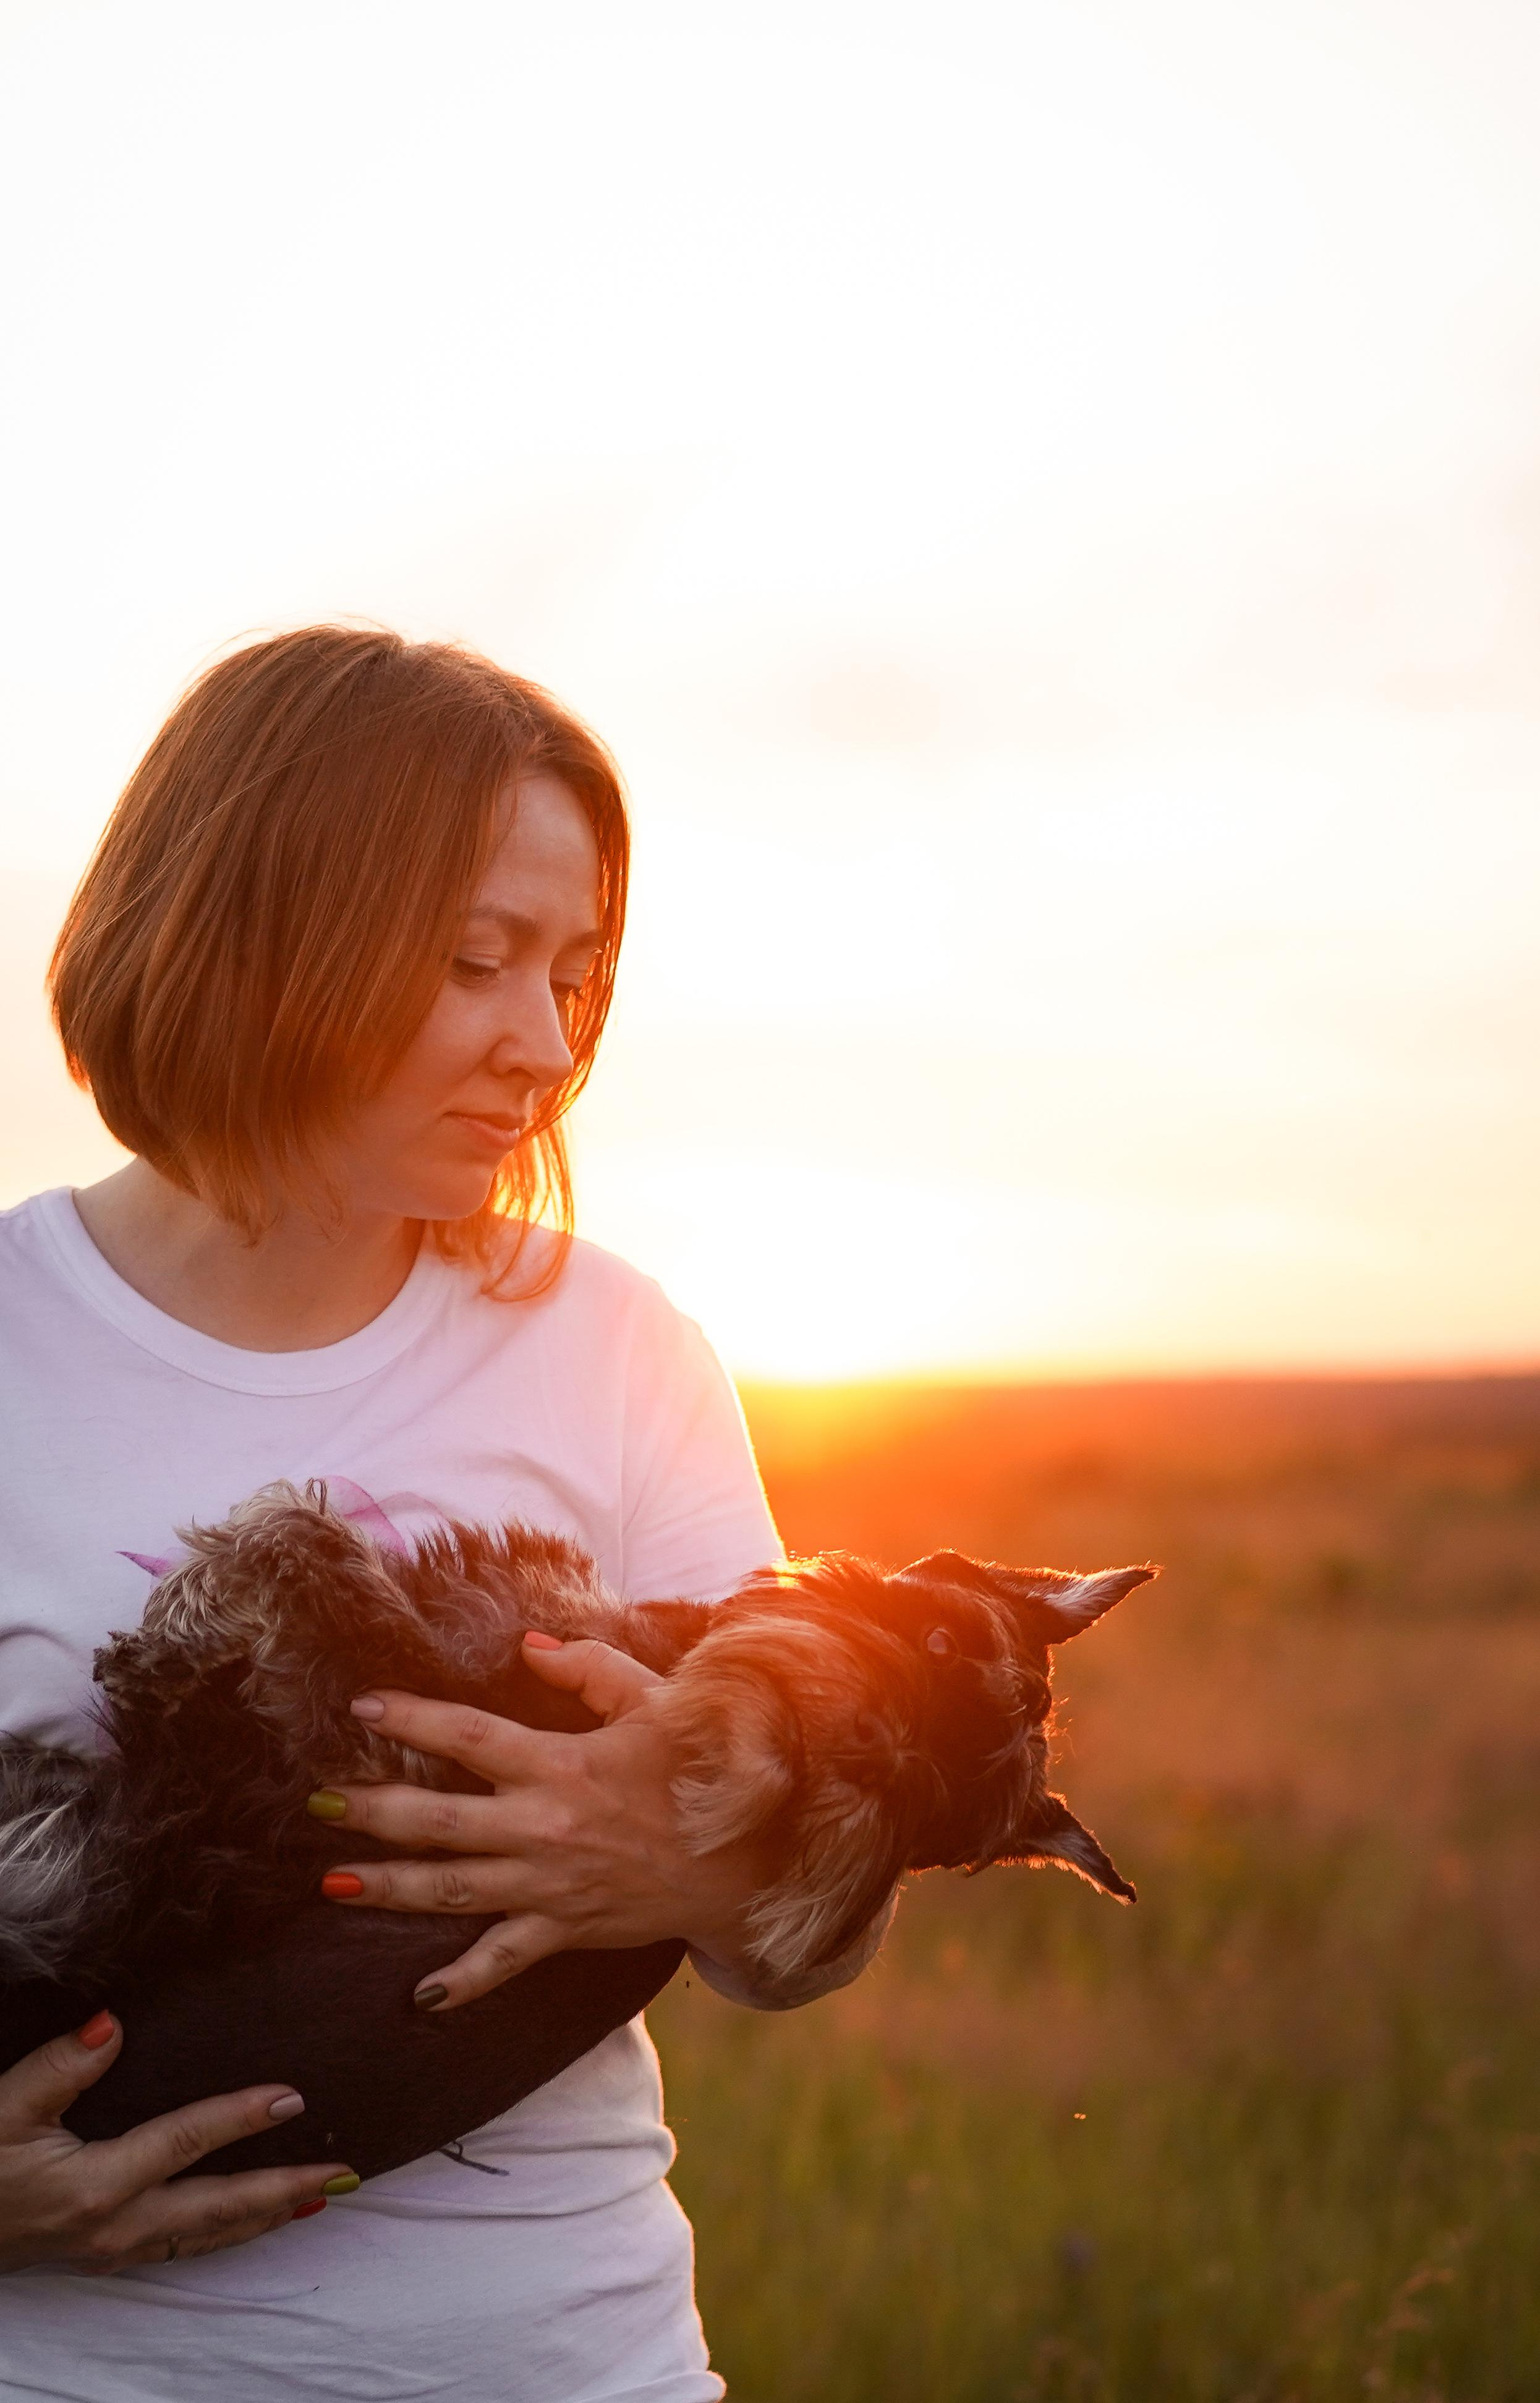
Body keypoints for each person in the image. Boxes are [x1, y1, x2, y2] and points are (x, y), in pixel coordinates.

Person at [0, 627, 890, 2401]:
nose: (546, 1042)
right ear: (255, 931)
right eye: (476, 962)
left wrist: (687, 1863)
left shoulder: (621, 1347)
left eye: (575, 972)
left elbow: (807, 1939)